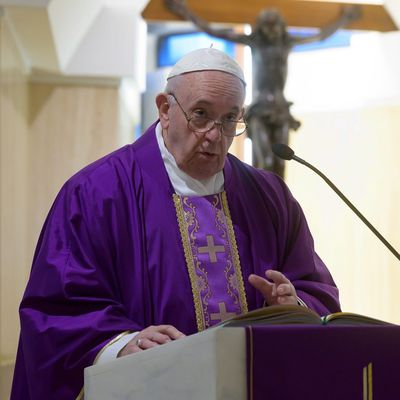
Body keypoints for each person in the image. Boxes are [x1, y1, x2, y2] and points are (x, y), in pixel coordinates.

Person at [11, 48, 340, 399]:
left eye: (230, 119)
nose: (216, 136)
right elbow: (57, 311)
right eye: (201, 114)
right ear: (165, 109)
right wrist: (121, 344)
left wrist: (296, 308)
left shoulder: (269, 198)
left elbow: (316, 289)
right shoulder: (95, 193)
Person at [165, 0, 361, 176]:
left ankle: (279, 204)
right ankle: (263, 200)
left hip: (281, 108)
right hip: (260, 109)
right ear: (261, 26)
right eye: (268, 24)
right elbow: (214, 31)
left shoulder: (286, 43)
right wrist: (185, 10)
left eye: (275, 24)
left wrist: (344, 19)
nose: (272, 29)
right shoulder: (255, 42)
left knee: (282, 161)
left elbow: (320, 36)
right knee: (266, 160)